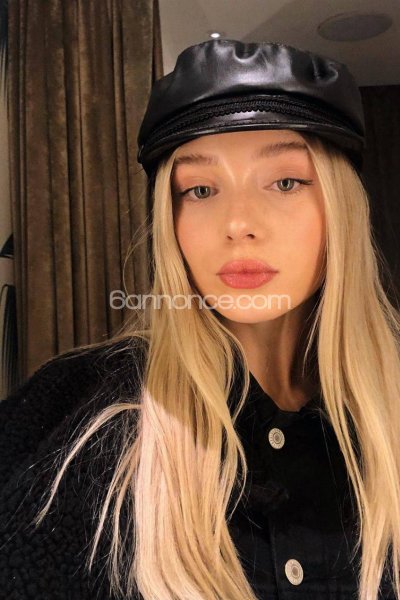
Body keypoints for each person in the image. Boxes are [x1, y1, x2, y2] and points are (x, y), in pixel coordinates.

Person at [1, 38, 400, 600]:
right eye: (201, 189)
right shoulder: (73, 412)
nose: (237, 223)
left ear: (341, 207)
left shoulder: (388, 412)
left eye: (285, 181)